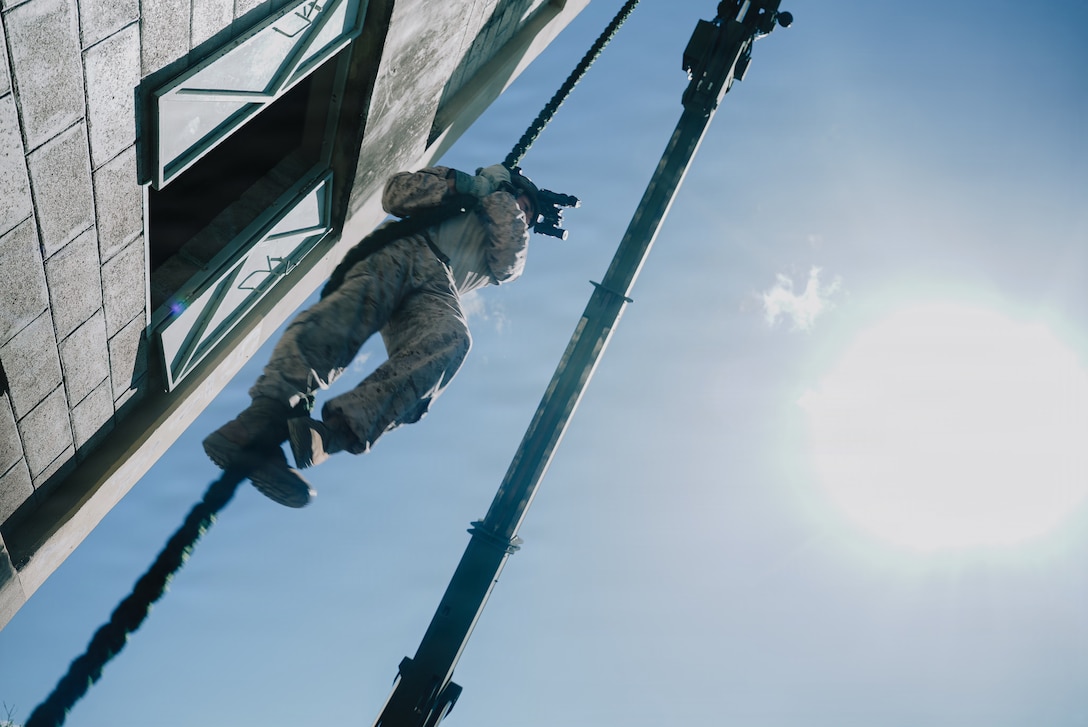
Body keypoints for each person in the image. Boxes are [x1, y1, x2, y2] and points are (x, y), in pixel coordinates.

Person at [203, 163, 541, 507]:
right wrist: (461, 185)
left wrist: (497, 196)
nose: (522, 213)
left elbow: (508, 260)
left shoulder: (512, 233)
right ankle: (259, 424)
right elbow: (395, 194)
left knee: (451, 339)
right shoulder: (458, 185)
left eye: (527, 213)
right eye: (523, 203)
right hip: (403, 246)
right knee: (340, 320)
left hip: (441, 284)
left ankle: (334, 434)